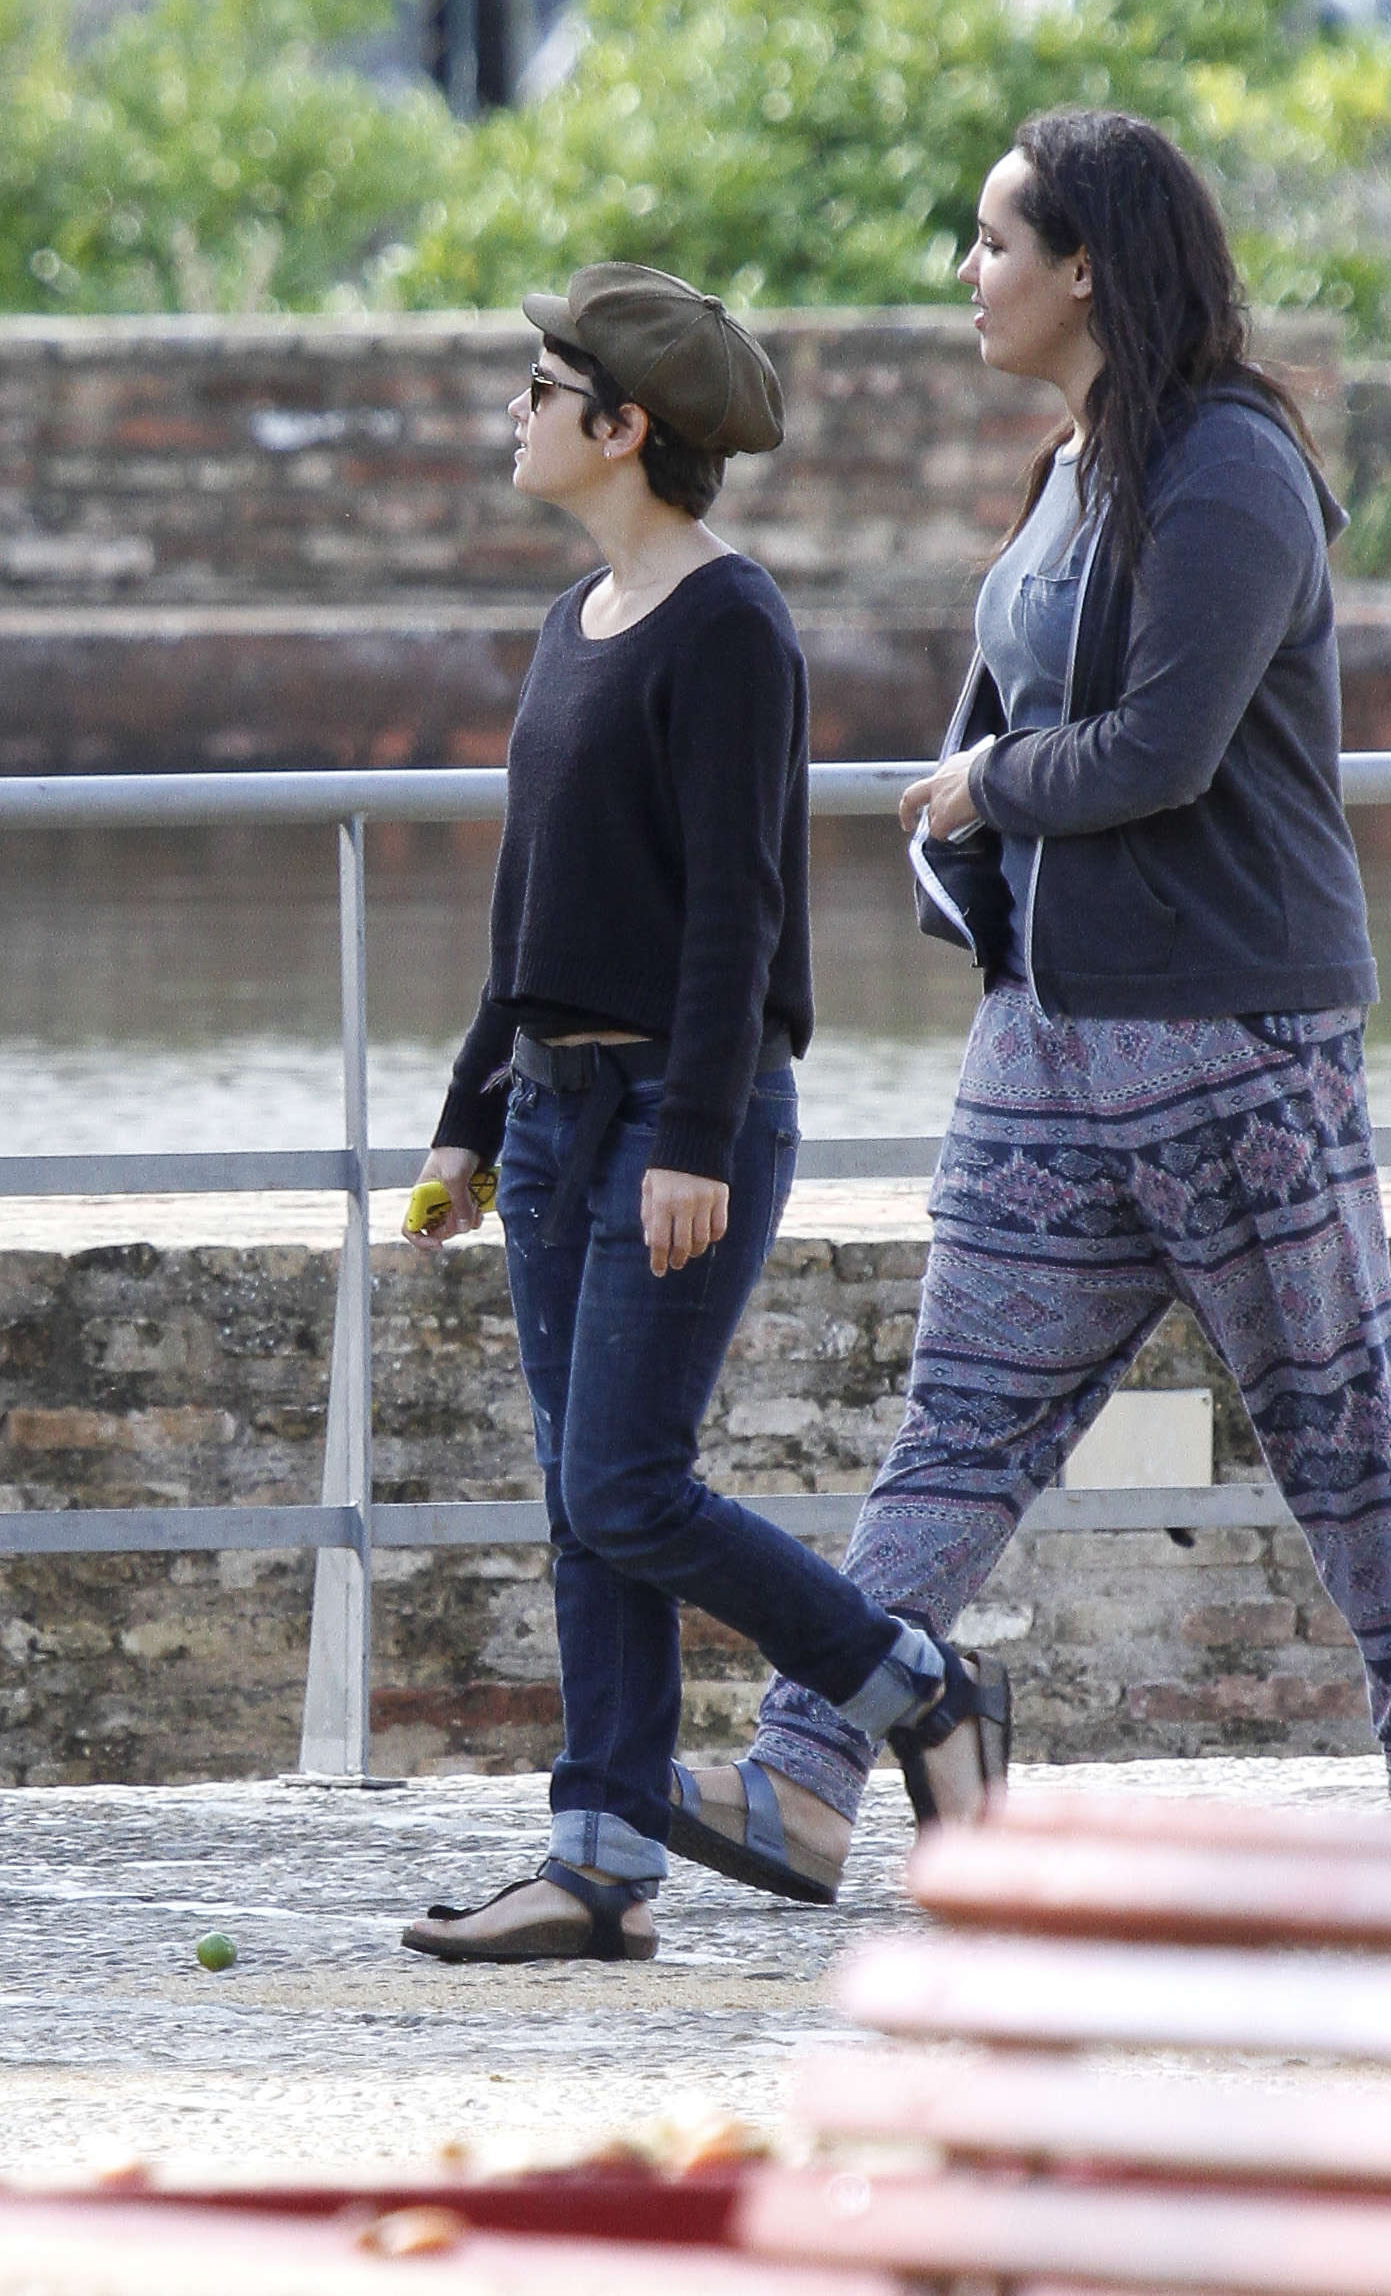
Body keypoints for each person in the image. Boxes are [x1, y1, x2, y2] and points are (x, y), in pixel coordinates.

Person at [669, 111, 1391, 1904]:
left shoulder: (1232, 467)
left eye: (993, 241)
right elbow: (1034, 700)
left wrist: (986, 787)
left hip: (1234, 1040)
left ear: (1087, 267)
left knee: (1342, 1429)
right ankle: (805, 1776)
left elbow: (1163, 749)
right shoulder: (1072, 464)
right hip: (1047, 1039)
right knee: (957, 1428)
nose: (966, 273)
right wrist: (976, 812)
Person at [398, 262, 1008, 1964]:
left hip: (684, 1108)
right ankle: (597, 1861)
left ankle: (918, 1687)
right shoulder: (569, 624)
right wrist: (466, 1120)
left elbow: (741, 905)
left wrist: (690, 1136)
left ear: (622, 424)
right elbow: (534, 911)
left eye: (539, 387)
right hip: (550, 1115)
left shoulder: (733, 623)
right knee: (577, 1496)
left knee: (626, 1483)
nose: (515, 409)